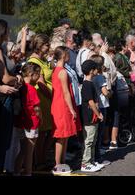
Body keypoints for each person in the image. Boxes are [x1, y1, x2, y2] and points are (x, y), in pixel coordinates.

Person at [0, 19, 22, 175]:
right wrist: (17, 79)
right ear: (1, 32)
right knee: (1, 142)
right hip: (2, 100)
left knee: (1, 142)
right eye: (7, 30)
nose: (9, 33)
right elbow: (5, 78)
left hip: (1, 97)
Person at [50, 47, 82, 175]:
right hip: (62, 105)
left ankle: (62, 162)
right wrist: (71, 108)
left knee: (65, 135)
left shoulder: (57, 69)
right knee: (61, 136)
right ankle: (57, 165)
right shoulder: (62, 71)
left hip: (60, 104)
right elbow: (66, 92)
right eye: (67, 54)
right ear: (63, 55)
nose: (69, 56)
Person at [27, 33, 53, 170]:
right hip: (42, 99)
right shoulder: (34, 61)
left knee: (47, 132)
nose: (48, 47)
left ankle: (42, 158)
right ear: (39, 45)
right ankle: (39, 162)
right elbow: (41, 83)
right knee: (41, 134)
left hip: (47, 100)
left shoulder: (42, 60)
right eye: (46, 44)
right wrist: (53, 97)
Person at [13, 63, 41, 176]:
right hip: (31, 122)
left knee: (23, 150)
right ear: (30, 74)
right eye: (37, 74)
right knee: (29, 152)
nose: (39, 76)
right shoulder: (31, 89)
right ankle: (28, 173)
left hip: (20, 122)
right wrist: (41, 118)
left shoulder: (19, 86)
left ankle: (16, 171)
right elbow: (37, 108)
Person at [80, 60, 103, 172]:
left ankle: (91, 161)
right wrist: (98, 114)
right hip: (89, 116)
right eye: (95, 69)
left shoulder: (90, 83)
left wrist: (98, 112)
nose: (96, 71)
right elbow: (90, 102)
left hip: (93, 116)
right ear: (91, 71)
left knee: (93, 139)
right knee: (88, 140)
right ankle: (85, 163)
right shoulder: (87, 84)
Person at [89, 54, 111, 167]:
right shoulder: (100, 78)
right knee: (99, 133)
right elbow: (105, 92)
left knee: (96, 133)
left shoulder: (91, 77)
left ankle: (95, 155)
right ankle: (98, 157)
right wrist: (110, 92)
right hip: (102, 105)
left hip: (95, 105)